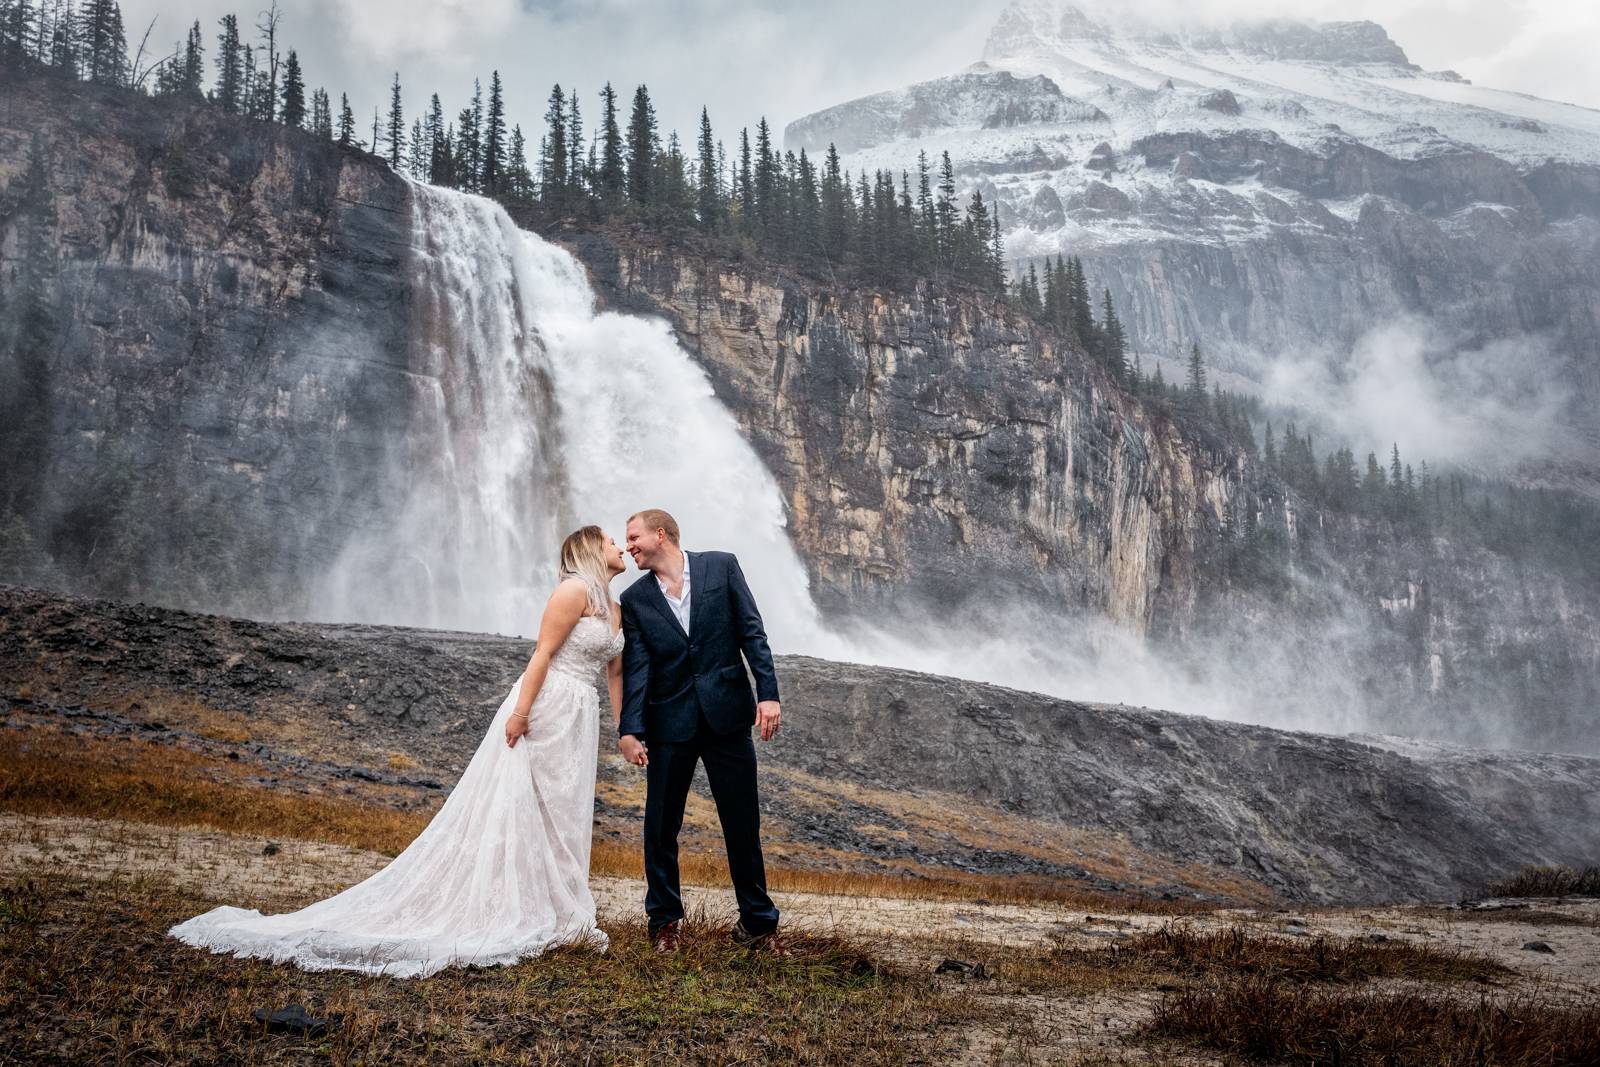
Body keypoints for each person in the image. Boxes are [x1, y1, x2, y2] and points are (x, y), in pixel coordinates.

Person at [168, 526, 628, 978]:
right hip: (548, 705)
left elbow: (614, 676)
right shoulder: (571, 593)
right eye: (611, 541)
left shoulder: (616, 608)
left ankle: (559, 909)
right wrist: (520, 713)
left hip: (580, 715)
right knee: (525, 805)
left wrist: (624, 728)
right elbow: (541, 654)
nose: (619, 546)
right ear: (590, 550)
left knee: (563, 812)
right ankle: (519, 908)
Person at [618, 508, 786, 955]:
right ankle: (664, 924)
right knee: (660, 827)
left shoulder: (721, 565)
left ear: (660, 534)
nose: (628, 545)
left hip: (727, 715)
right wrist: (629, 729)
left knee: (741, 823)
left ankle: (757, 925)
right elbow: (637, 669)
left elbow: (753, 632)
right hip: (669, 724)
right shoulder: (635, 600)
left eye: (633, 537)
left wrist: (768, 693)